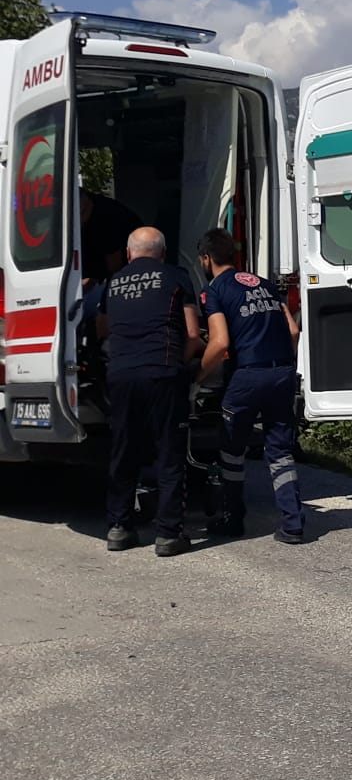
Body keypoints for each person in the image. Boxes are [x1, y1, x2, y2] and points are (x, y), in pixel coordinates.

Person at [196, 228, 306, 545]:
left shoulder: (214, 290)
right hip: (282, 370)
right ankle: (293, 524)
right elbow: (294, 331)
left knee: (232, 450)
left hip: (247, 375)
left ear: (206, 258)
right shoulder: (265, 284)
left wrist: (197, 379)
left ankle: (234, 519)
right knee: (280, 451)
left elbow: (219, 344)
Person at [100, 227, 201, 555]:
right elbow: (192, 334)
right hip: (163, 370)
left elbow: (103, 330)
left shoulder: (112, 283)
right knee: (169, 452)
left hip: (121, 374)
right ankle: (169, 534)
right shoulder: (176, 277)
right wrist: (180, 366)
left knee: (123, 451)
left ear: (129, 253)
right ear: (163, 252)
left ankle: (119, 527)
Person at [80, 189, 142, 285]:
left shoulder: (107, 217)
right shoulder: (86, 213)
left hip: (125, 274)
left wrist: (91, 283)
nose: (80, 222)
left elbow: (114, 265)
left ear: (87, 203)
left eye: (81, 214)